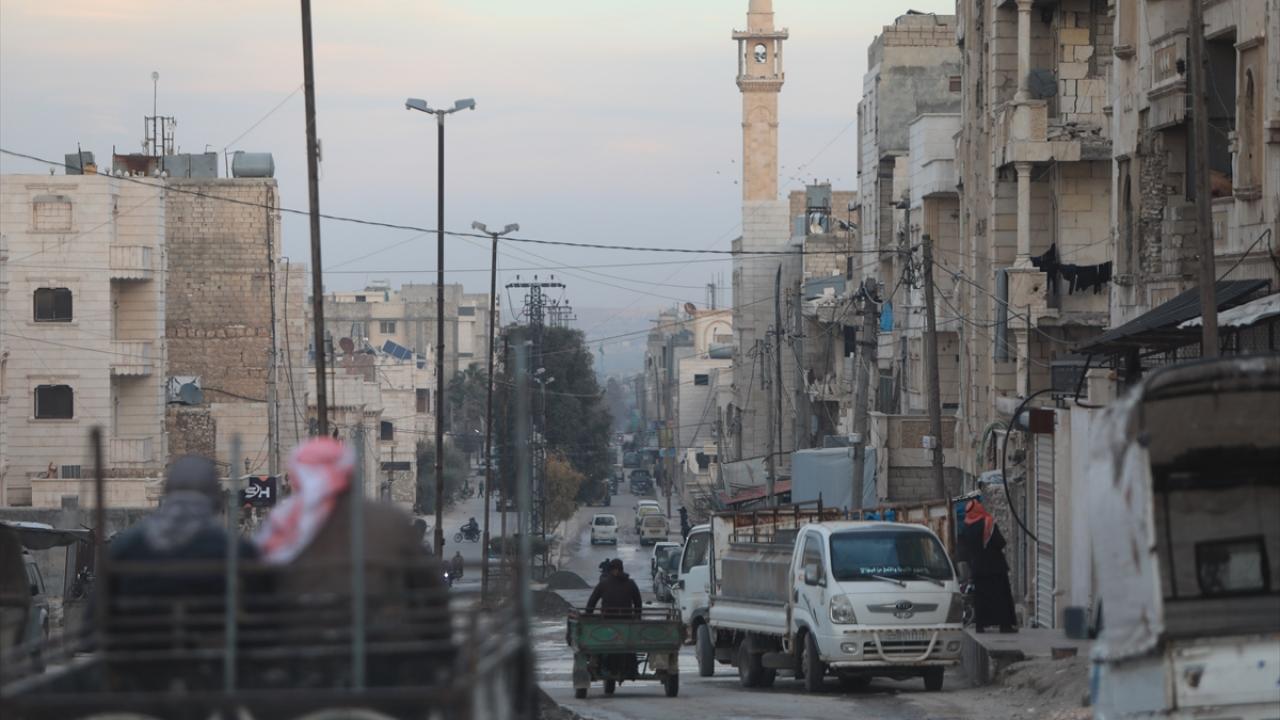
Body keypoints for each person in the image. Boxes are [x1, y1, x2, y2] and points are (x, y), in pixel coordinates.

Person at [255, 438, 452, 685]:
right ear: (350, 475)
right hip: (382, 654)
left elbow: (260, 591)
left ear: (295, 477)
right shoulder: (389, 519)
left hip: (300, 655)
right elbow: (430, 590)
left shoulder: (281, 526)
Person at [957, 498, 1018, 633]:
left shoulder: (965, 527)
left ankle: (981, 625)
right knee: (1000, 596)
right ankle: (1004, 625)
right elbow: (1000, 542)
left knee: (981, 598)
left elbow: (964, 549)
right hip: (995, 567)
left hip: (978, 568)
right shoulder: (988, 523)